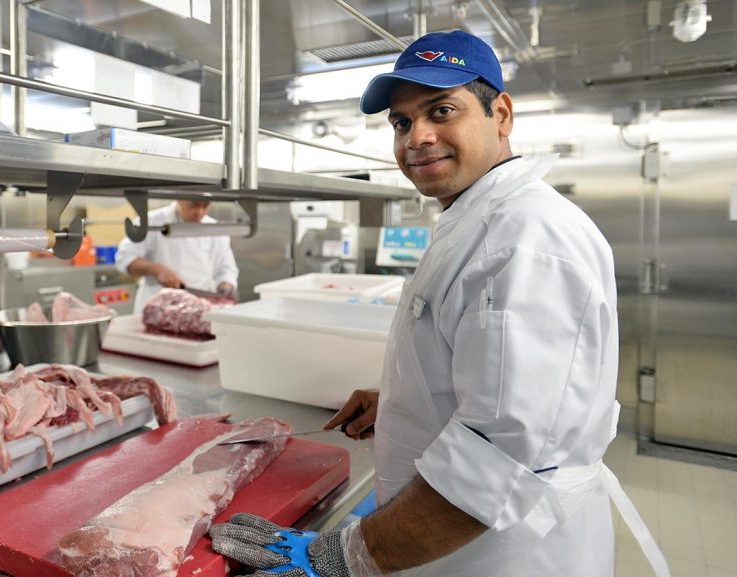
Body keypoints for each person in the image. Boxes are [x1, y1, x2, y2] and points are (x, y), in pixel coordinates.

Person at [210, 30, 667, 577]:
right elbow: (501, 386)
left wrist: (345, 556)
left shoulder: (524, 239)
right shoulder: (476, 219)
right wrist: (407, 401)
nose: (417, 137)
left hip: (502, 556)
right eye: (401, 123)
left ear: (501, 114)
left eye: (441, 111)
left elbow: (500, 454)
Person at [115, 199, 239, 312]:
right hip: (158, 308)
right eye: (193, 205)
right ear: (179, 199)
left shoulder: (216, 228)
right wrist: (158, 270)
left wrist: (225, 286)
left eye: (205, 206)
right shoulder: (152, 222)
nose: (199, 212)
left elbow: (227, 269)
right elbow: (124, 258)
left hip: (201, 306)